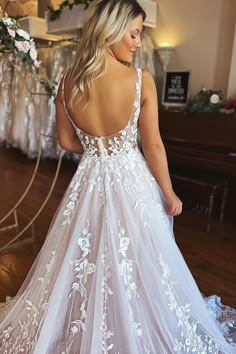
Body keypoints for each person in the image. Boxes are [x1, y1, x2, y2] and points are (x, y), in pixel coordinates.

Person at [0, 0, 235, 353]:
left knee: (85, 253)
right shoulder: (140, 80)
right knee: (140, 257)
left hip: (88, 181)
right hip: (131, 180)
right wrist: (169, 194)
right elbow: (153, 146)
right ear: (110, 30)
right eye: (134, 33)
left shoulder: (67, 82)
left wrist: (98, 151)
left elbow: (65, 141)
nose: (138, 42)